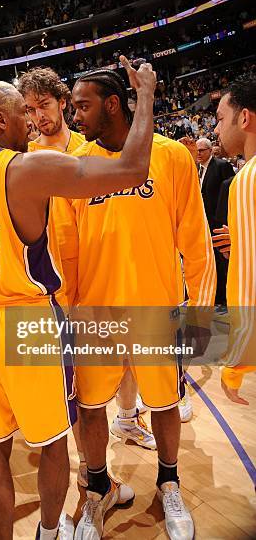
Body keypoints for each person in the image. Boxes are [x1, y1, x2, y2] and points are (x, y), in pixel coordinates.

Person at [0, 57, 156, 540]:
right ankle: (51, 532)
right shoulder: (25, 167)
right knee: (53, 442)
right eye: (22, 113)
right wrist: (144, 101)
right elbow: (134, 168)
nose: (31, 123)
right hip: (26, 318)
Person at [67, 67, 216, 540]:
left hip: (157, 307)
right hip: (94, 314)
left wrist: (203, 311)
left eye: (82, 104)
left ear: (114, 103)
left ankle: (168, 482)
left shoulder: (171, 155)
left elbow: (195, 239)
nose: (75, 114)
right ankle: (97, 489)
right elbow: (66, 248)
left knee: (165, 402)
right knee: (91, 409)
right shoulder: (75, 164)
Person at [18, 67, 156, 476]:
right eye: (30, 109)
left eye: (44, 105)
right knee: (77, 385)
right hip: (54, 279)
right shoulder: (24, 157)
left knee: (128, 359)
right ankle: (91, 471)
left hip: (104, 267)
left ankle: (128, 417)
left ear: (62, 102)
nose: (38, 116)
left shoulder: (88, 143)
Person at [213, 75, 256, 405]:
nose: (215, 130)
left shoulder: (246, 179)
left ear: (245, 118)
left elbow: (249, 286)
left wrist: (235, 363)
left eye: (220, 119)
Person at [196, 137, 235, 307]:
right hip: (204, 222)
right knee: (210, 261)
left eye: (201, 150)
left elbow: (231, 191)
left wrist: (226, 220)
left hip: (219, 222)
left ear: (210, 150)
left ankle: (225, 296)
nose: (198, 153)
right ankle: (215, 295)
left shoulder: (221, 166)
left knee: (222, 260)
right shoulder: (198, 169)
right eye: (197, 150)